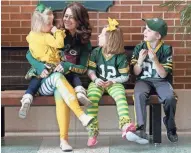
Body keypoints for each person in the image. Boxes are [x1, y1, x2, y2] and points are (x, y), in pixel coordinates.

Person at [20, 2, 94, 152]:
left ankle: (63, 140)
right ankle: (73, 127)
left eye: (72, 17)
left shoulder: (84, 43)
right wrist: (40, 67)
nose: (66, 20)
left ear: (80, 20)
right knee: (59, 81)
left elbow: (83, 68)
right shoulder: (56, 33)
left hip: (68, 82)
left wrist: (68, 66)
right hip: (48, 78)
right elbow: (30, 53)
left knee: (60, 91)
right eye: (65, 16)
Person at [127, 18, 178, 144]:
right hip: (143, 80)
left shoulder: (166, 49)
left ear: (158, 35)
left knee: (170, 98)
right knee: (139, 94)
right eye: (145, 28)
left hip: (161, 81)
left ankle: (170, 126)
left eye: (149, 30)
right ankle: (141, 127)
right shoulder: (140, 47)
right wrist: (139, 60)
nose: (145, 31)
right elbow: (136, 72)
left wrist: (155, 60)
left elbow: (163, 74)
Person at [86, 18, 136, 147]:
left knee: (120, 96)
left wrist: (112, 81)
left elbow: (125, 76)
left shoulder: (121, 56)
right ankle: (92, 131)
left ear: (110, 39)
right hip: (97, 82)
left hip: (114, 83)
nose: (98, 36)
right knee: (91, 98)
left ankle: (125, 124)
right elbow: (90, 71)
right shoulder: (96, 52)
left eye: (102, 35)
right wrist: (96, 79)